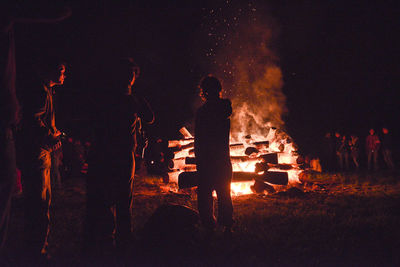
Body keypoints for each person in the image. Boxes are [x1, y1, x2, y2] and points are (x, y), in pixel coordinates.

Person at [85, 58, 154, 252]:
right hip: (115, 153)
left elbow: (149, 118)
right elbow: (149, 117)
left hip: (120, 153)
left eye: (133, 72)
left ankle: (118, 238)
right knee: (117, 197)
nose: (131, 76)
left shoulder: (114, 98)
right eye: (129, 72)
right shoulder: (126, 99)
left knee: (120, 197)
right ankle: (116, 238)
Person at [16, 60, 66, 257]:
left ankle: (35, 246)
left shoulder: (46, 90)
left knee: (38, 201)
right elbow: (33, 120)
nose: (64, 75)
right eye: (61, 71)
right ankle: (37, 250)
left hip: (38, 151)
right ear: (51, 70)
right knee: (39, 201)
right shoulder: (40, 91)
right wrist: (50, 137)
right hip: (37, 153)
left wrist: (53, 132)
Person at [194, 75, 234, 235]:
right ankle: (227, 225)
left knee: (205, 193)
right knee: (224, 192)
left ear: (204, 91)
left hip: (206, 158)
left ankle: (208, 224)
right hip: (222, 157)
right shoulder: (225, 108)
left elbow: (199, 138)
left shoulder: (203, 112)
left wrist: (198, 158)